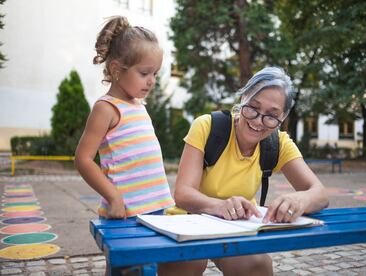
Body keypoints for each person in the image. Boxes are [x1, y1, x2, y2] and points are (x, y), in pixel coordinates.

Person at [162, 67, 329, 276]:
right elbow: (183, 194)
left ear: (283, 117)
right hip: (188, 219)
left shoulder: (279, 143)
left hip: (237, 226)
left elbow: (319, 193)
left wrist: (300, 200)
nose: (258, 121)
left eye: (271, 116)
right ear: (243, 98)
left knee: (257, 265)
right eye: (253, 108)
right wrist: (220, 206)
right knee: (186, 262)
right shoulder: (207, 127)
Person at [74, 16, 174, 220]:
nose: (151, 81)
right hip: (126, 212)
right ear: (116, 70)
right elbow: (83, 159)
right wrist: (114, 198)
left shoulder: (138, 106)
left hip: (156, 209)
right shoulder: (106, 108)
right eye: (144, 73)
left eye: (155, 74)